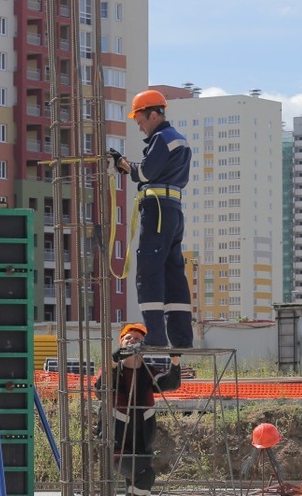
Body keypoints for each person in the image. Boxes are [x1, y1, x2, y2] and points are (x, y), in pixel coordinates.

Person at [95, 322, 182, 496]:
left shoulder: (146, 372)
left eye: (137, 339)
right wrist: (113, 361)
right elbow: (101, 387)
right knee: (143, 479)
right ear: (121, 343)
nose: (132, 342)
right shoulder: (115, 370)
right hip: (116, 447)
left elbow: (169, 383)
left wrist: (175, 361)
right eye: (127, 339)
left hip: (141, 447)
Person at [109, 89, 194, 351]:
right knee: (173, 273)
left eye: (141, 121)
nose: (141, 127)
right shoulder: (178, 139)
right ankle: (182, 338)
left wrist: (124, 165)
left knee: (149, 271)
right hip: (173, 210)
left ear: (154, 114)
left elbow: (145, 173)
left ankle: (156, 337)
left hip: (156, 210)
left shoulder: (161, 137)